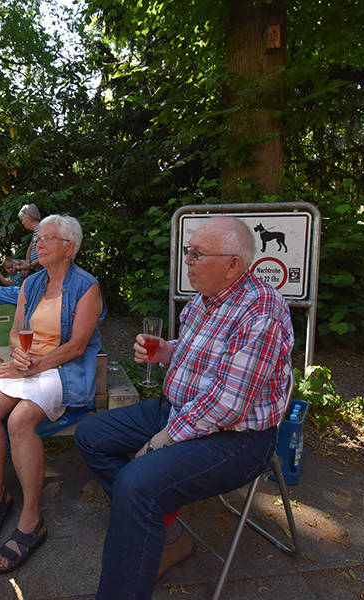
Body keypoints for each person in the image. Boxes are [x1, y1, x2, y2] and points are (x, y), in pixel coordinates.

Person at [75, 217, 294, 600]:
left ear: (232, 266)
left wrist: (163, 440)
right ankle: (165, 533)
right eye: (187, 251)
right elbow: (200, 351)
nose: (187, 260)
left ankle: (140, 533)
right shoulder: (201, 301)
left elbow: (229, 404)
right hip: (182, 408)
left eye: (197, 253)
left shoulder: (262, 310)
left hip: (238, 438)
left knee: (136, 483)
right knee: (90, 435)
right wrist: (167, 351)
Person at [0, 214, 105, 573]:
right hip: (28, 365)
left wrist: (36, 365)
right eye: (38, 238)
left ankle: (31, 520)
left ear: (70, 247)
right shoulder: (31, 283)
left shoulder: (87, 287)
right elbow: (18, 330)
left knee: (20, 420)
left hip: (61, 368)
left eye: (48, 238)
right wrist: (18, 352)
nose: (39, 244)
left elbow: (78, 345)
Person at [18, 203, 41, 276]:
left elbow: (46, 255)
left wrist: (30, 265)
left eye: (22, 220)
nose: (22, 223)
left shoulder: (42, 231)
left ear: (29, 219)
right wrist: (27, 264)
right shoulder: (36, 232)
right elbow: (30, 249)